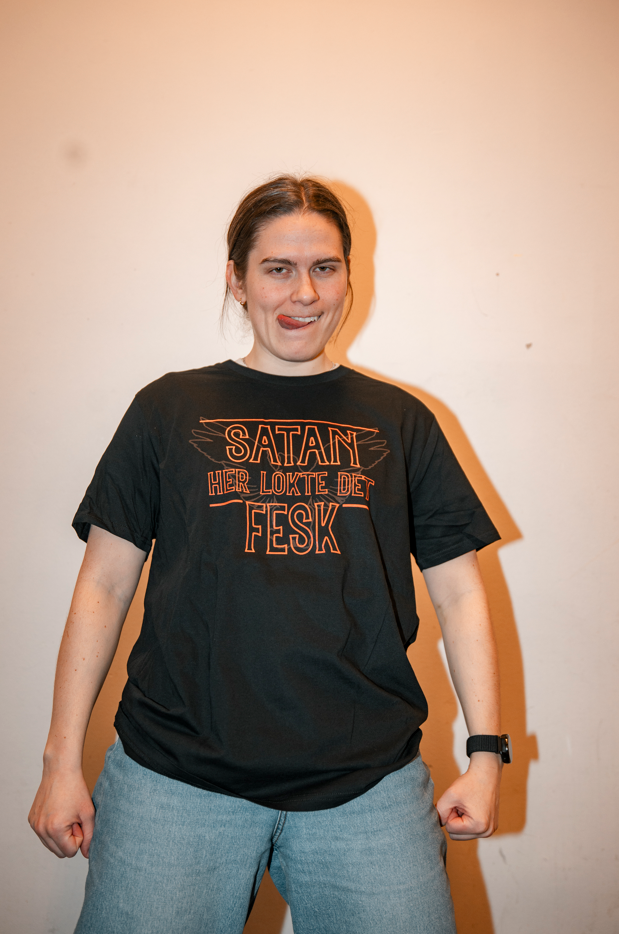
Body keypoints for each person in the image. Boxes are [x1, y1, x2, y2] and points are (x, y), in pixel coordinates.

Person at [29, 175, 507, 934]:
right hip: (174, 781)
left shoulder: (401, 420)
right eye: (278, 268)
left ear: (348, 276)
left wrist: (485, 756)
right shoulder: (168, 408)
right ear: (237, 278)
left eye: (324, 267)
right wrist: (60, 763)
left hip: (368, 787)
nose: (303, 293)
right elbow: (103, 587)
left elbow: (460, 594)